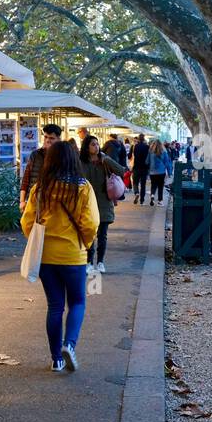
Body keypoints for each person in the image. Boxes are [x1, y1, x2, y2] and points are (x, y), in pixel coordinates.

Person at [22, 140, 99, 372]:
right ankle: (69, 345)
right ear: (73, 160)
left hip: (46, 256)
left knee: (55, 305)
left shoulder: (40, 188)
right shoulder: (83, 187)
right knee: (77, 302)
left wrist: (36, 242)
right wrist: (84, 243)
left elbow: (27, 222)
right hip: (73, 255)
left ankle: (56, 358)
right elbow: (91, 222)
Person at [81, 135, 125, 274]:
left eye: (97, 144)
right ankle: (89, 262)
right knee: (89, 234)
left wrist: (108, 160)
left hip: (104, 202)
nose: (96, 146)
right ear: (87, 147)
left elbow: (121, 171)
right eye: (93, 144)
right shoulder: (81, 162)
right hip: (87, 203)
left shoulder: (104, 160)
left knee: (102, 235)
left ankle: (100, 262)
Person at [19, 123, 61, 210]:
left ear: (58, 139)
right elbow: (26, 178)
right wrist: (22, 201)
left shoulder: (62, 156)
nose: (48, 140)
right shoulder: (35, 154)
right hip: (32, 200)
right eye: (46, 137)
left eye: (51, 138)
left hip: (53, 202)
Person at [148, 139, 173, 205]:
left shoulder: (150, 152)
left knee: (153, 185)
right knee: (160, 186)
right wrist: (169, 173)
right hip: (161, 172)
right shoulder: (164, 152)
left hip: (152, 172)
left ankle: (152, 195)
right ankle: (160, 201)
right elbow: (167, 163)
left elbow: (147, 162)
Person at [130, 133, 151, 204]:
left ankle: (136, 193)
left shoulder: (135, 146)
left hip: (136, 167)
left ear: (138, 139)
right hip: (144, 168)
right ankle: (142, 200)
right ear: (144, 139)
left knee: (135, 182)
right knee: (143, 184)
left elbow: (134, 155)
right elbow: (148, 158)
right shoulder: (147, 147)